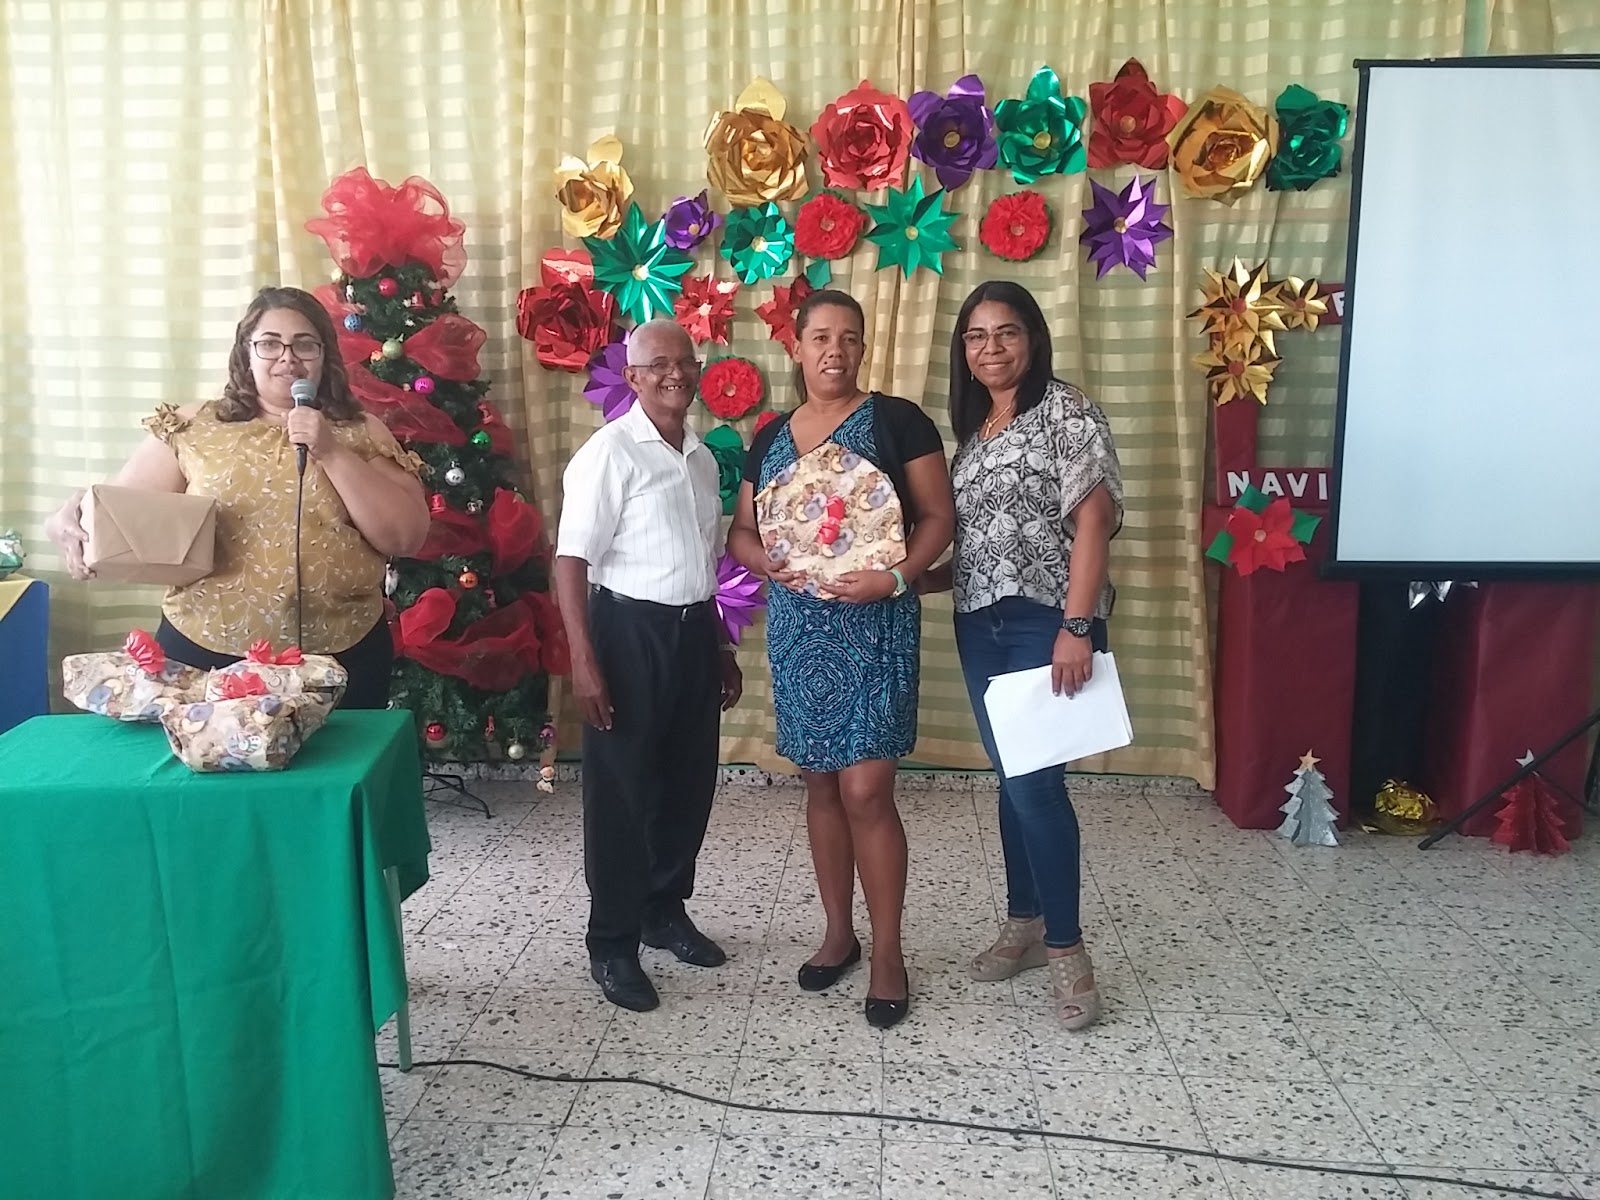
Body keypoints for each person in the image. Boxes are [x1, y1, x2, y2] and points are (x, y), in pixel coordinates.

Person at [727, 289, 954, 1029]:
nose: (835, 350)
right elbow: (741, 532)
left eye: (849, 337)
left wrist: (896, 578)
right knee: (821, 784)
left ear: (863, 347)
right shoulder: (770, 435)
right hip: (800, 627)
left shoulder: (898, 420)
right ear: (795, 348)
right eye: (821, 337)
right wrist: (764, 562)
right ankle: (838, 935)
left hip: (877, 620)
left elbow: (938, 518)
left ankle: (888, 952)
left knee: (867, 790)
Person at [44, 285, 430, 709]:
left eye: (304, 344)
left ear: (325, 355)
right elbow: (122, 514)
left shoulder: (362, 431)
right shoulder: (196, 425)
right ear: (246, 352)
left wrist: (332, 451)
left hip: (341, 656)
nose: (288, 358)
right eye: (270, 344)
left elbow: (406, 537)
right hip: (204, 653)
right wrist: (69, 513)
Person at [919, 281, 1123, 1031]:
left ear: (1033, 338)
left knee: (1036, 788)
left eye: (1006, 332)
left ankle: (1068, 950)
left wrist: (1077, 625)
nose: (992, 347)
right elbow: (985, 543)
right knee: (1012, 780)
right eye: (976, 336)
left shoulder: (1067, 412)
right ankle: (1025, 922)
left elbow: (1092, 522)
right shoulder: (975, 432)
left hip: (1047, 621)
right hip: (981, 624)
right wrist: (908, 577)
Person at [553, 317, 743, 1013]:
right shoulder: (609, 454)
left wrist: (720, 647)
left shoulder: (701, 457)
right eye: (658, 365)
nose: (674, 374)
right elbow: (571, 561)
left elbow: (704, 561)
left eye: (684, 362)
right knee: (623, 794)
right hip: (627, 633)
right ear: (632, 377)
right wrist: (584, 661)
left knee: (686, 785)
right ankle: (612, 941)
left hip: (692, 634)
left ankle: (664, 911)